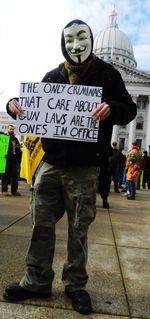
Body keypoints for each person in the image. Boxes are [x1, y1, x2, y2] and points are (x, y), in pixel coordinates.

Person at [3, 19, 137, 315]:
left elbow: (129, 109)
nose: (75, 45)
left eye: (81, 39)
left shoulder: (109, 74)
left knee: (79, 229)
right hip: (51, 164)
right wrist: (14, 103)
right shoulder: (53, 75)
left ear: (90, 40)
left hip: (86, 167)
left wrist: (112, 108)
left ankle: (75, 285)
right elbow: (33, 107)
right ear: (63, 44)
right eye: (69, 40)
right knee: (41, 223)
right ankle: (36, 280)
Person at [1, 125, 21, 196]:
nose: (11, 130)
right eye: (10, 129)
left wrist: (18, 149)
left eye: (12, 129)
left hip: (14, 159)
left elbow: (18, 149)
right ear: (8, 130)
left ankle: (14, 191)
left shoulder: (15, 139)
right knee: (5, 176)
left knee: (15, 176)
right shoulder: (4, 137)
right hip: (6, 159)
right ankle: (4, 191)